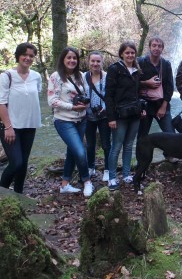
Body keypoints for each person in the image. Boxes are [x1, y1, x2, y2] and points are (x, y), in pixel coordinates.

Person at [0, 42, 42, 194]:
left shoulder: (36, 76)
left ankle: (18, 195)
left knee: (24, 163)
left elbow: (34, 97)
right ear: (18, 56)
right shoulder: (6, 76)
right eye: (25, 55)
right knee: (16, 163)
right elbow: (0, 103)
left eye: (31, 56)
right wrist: (8, 127)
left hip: (29, 126)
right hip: (11, 127)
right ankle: (1, 194)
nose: (28, 58)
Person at [48, 47, 94, 197]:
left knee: (72, 152)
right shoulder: (56, 77)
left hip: (81, 120)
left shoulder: (80, 75)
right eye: (69, 57)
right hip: (64, 121)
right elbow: (52, 101)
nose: (72, 60)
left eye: (74, 58)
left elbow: (85, 94)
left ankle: (65, 185)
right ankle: (87, 181)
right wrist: (72, 106)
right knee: (80, 152)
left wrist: (84, 104)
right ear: (63, 59)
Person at [105, 42, 144, 191]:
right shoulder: (114, 69)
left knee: (128, 145)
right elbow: (108, 95)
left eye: (132, 53)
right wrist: (111, 118)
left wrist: (142, 108)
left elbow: (137, 93)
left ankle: (127, 174)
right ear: (121, 54)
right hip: (119, 114)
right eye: (127, 53)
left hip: (134, 114)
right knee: (116, 146)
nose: (130, 55)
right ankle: (112, 178)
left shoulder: (136, 70)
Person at [137, 38, 175, 144]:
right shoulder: (140, 62)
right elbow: (132, 84)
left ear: (162, 48)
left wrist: (163, 107)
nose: (156, 48)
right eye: (154, 45)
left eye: (159, 46)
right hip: (144, 105)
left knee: (171, 134)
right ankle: (141, 160)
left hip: (161, 103)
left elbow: (169, 87)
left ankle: (170, 156)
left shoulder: (166, 64)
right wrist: (146, 83)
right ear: (149, 47)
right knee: (142, 136)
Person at [84, 51, 111, 181]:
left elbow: (111, 96)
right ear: (88, 62)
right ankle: (91, 167)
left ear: (102, 62)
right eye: (93, 61)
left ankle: (107, 169)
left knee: (106, 144)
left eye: (98, 61)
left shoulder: (107, 76)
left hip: (104, 115)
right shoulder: (83, 77)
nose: (95, 63)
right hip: (88, 116)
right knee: (90, 144)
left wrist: (105, 109)